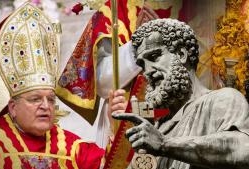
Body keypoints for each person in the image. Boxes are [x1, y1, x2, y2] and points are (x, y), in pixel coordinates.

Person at [0, 3, 125, 169]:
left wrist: (116, 128)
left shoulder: (72, 147)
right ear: (12, 107)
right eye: (35, 99)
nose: (46, 106)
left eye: (50, 99)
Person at [112, 18, 249, 169]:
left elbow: (247, 153)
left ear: (181, 54)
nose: (147, 71)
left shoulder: (221, 100)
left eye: (154, 57)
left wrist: (165, 145)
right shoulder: (158, 127)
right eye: (143, 65)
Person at [56, 0, 183, 148]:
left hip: (184, 120)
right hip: (124, 118)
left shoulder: (203, 8)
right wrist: (140, 44)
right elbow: (102, 84)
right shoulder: (116, 8)